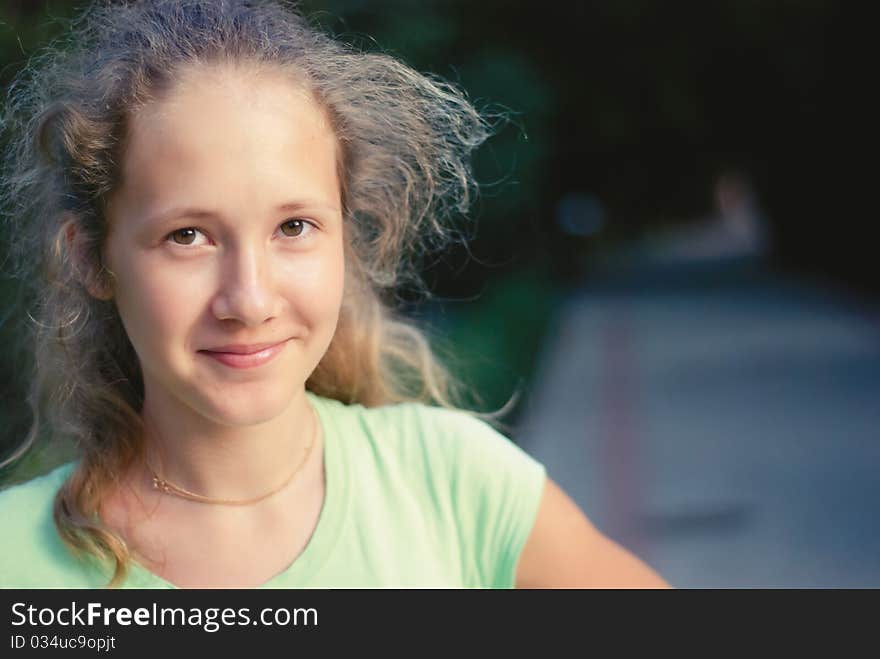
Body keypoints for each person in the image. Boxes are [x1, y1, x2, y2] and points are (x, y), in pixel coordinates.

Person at [0, 0, 667, 589]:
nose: (250, 299)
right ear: (90, 257)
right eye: (188, 236)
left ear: (347, 237)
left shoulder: (455, 487)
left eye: (294, 226)